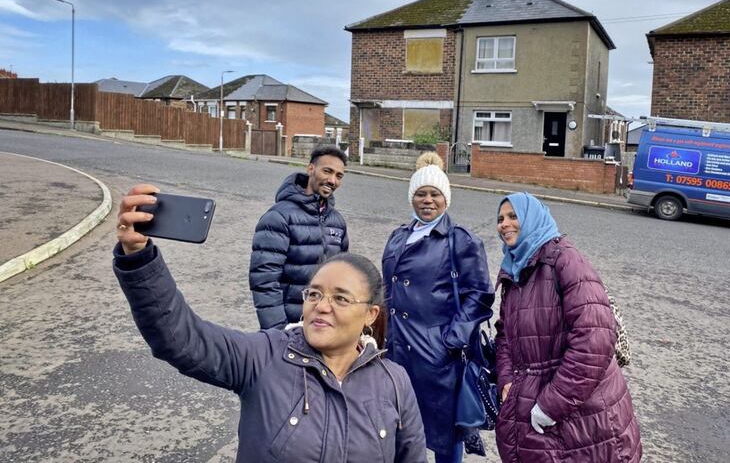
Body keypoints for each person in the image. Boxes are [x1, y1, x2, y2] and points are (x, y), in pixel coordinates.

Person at [113, 184, 427, 463]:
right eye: (314, 294)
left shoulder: (394, 382)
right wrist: (138, 258)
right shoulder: (264, 356)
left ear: (370, 315)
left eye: (341, 299)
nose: (321, 307)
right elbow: (181, 338)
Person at [494, 192, 642, 462]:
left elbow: (594, 341)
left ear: (532, 218)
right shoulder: (515, 269)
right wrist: (506, 379)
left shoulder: (564, 260)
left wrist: (550, 405)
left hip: (584, 421)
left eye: (513, 216)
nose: (504, 223)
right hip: (535, 411)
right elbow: (504, 334)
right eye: (500, 218)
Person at [381, 153, 494, 463]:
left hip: (439, 357)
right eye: (420, 194)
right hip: (398, 351)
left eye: (435, 194)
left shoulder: (460, 240)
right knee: (400, 426)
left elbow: (480, 295)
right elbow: (386, 290)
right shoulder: (397, 238)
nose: (427, 200)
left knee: (444, 435)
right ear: (411, 198)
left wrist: (451, 339)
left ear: (446, 199)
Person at [250, 145, 349, 330]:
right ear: (311, 169)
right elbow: (264, 280)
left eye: (339, 175)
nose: (332, 180)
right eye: (327, 171)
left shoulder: (337, 222)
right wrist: (279, 331)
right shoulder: (278, 217)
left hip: (322, 326)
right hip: (288, 327)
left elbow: (341, 276)